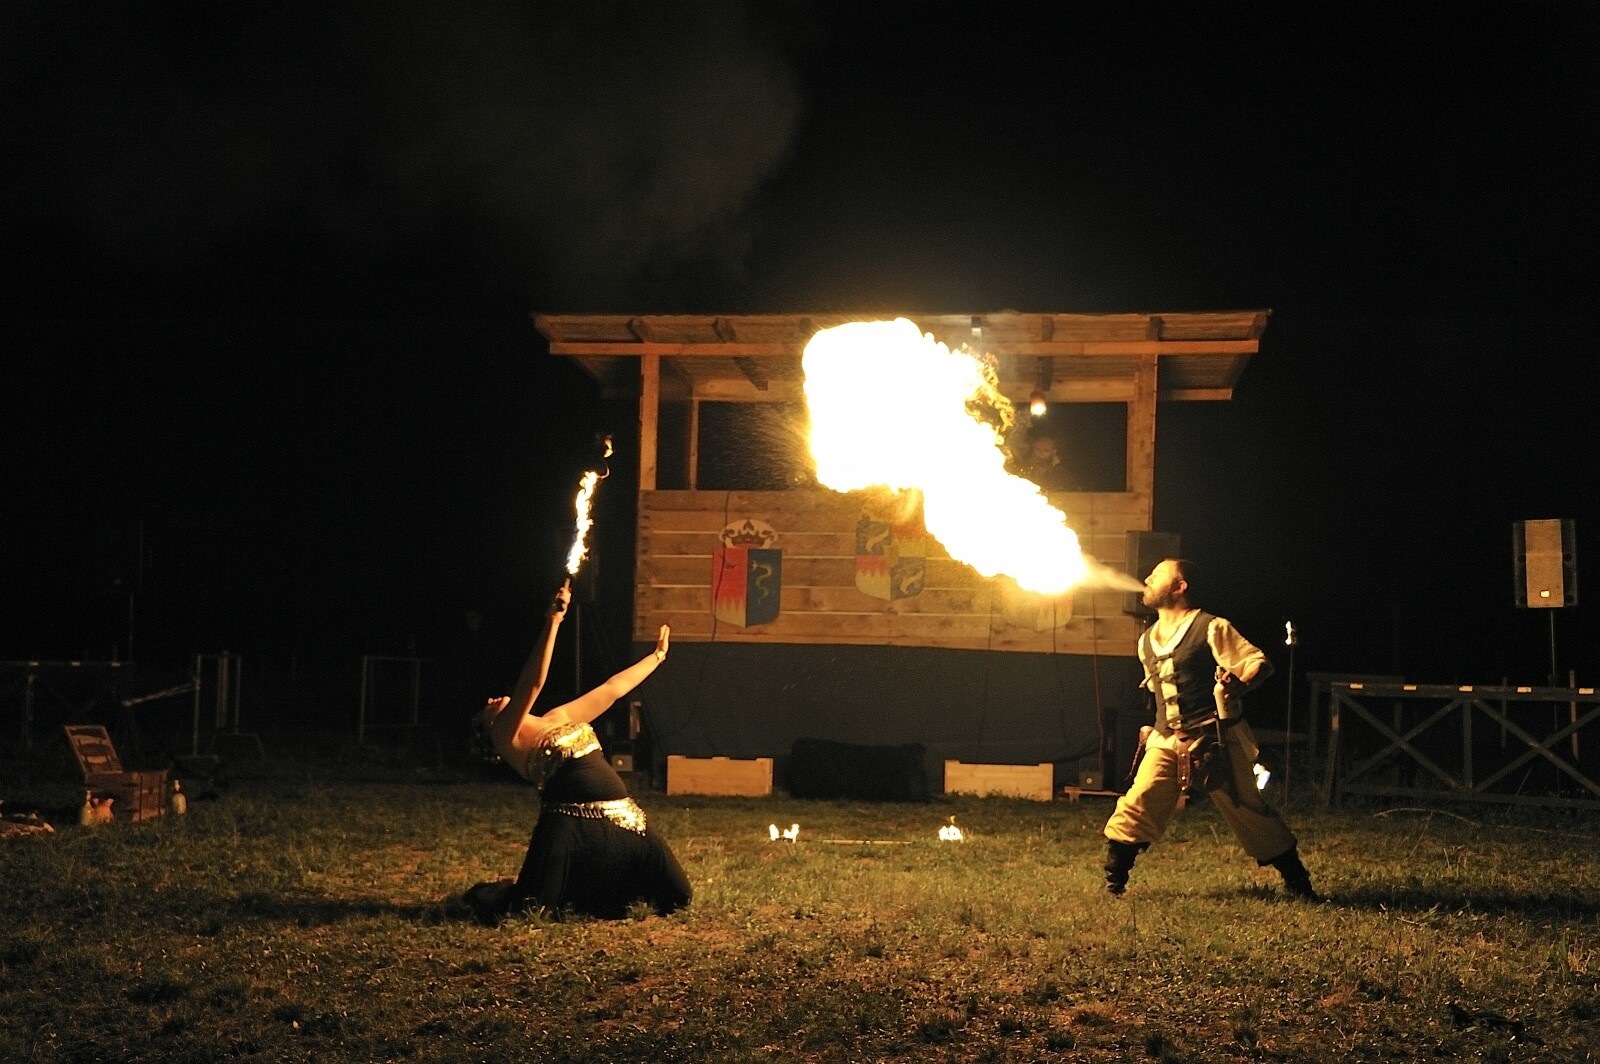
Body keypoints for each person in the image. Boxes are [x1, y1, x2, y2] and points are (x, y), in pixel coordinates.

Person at [463, 581, 691, 923]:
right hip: (568, 827)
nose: (490, 700)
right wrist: (553, 621)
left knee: (678, 896)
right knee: (535, 908)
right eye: (485, 710)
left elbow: (612, 689)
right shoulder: (505, 736)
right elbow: (531, 684)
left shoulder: (559, 716)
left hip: (623, 816)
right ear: (487, 730)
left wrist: (656, 658)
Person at [1101, 558, 1319, 900]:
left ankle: (1299, 883)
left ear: (1180, 586)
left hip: (1215, 738)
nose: (1147, 579)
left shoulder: (1212, 627)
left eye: (1157, 575)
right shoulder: (1146, 641)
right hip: (1166, 738)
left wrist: (1239, 684)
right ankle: (1113, 885)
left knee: (1247, 810)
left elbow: (1257, 663)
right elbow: (1157, 690)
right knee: (1138, 802)